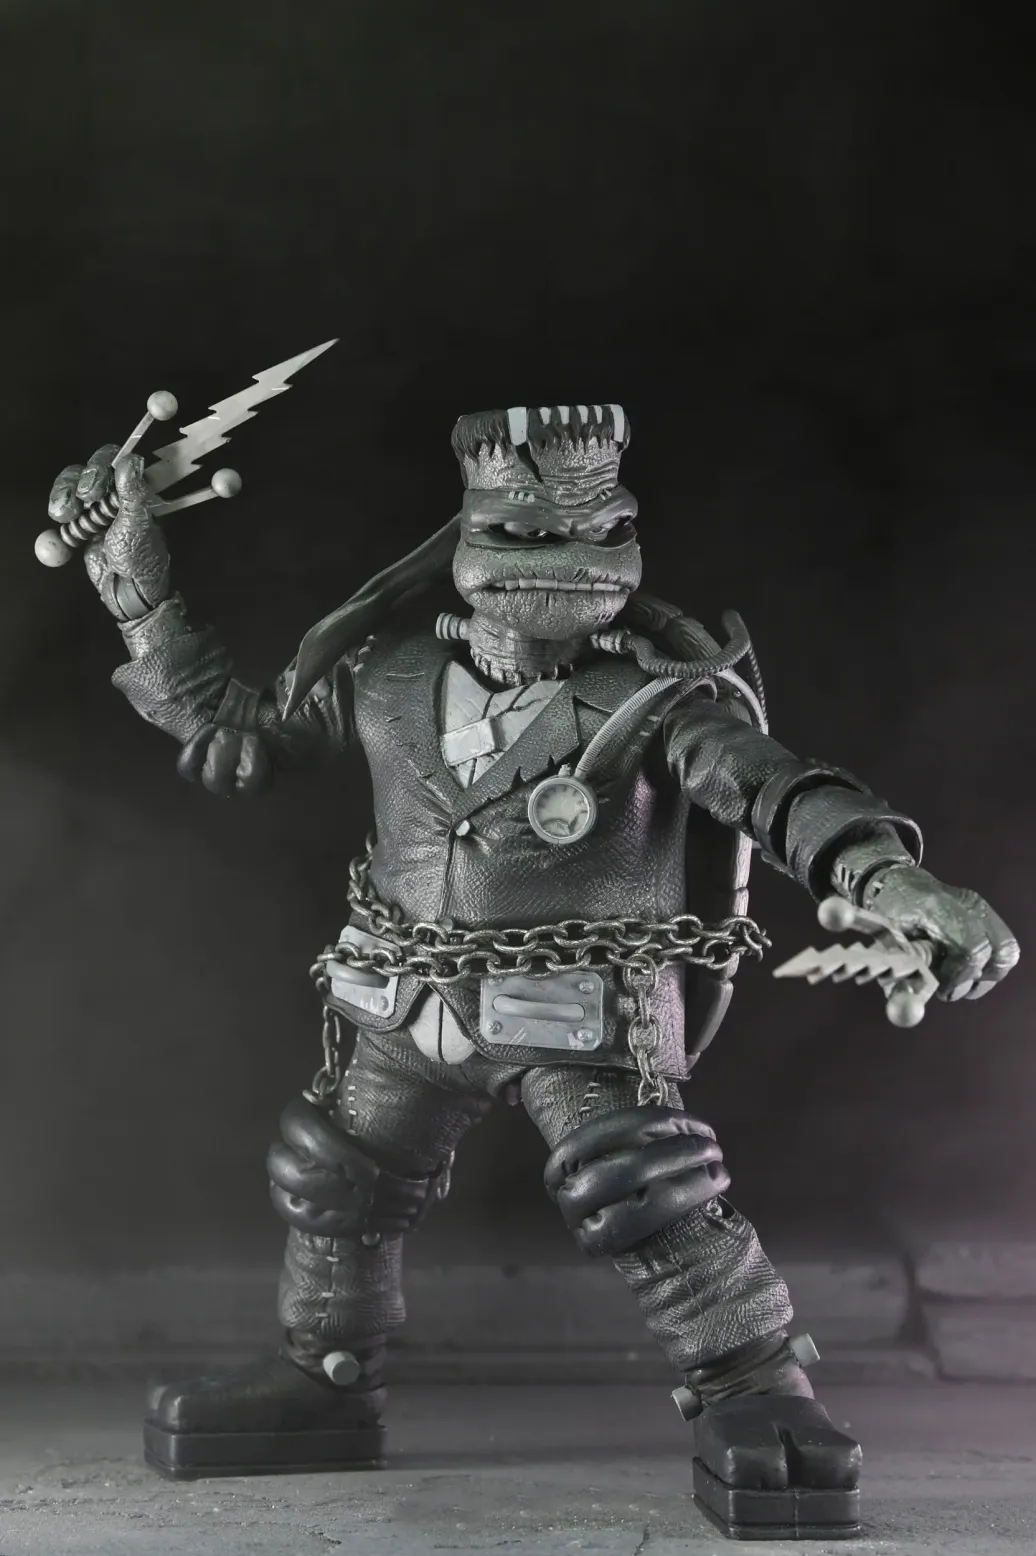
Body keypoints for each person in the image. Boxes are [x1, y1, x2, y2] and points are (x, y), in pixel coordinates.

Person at [48, 401, 1018, 1539]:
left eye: (601, 532)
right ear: (465, 538)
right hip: (401, 1000)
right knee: (335, 1176)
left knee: (643, 1188)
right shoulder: (384, 674)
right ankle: (327, 1375)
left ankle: (758, 1390)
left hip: (575, 1010)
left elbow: (775, 791)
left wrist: (892, 878)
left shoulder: (659, 703)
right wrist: (136, 589)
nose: (566, 561)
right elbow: (237, 734)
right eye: (524, 535)